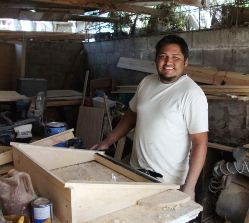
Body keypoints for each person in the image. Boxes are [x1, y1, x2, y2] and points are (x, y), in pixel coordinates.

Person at [91, 34, 208, 200]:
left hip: (168, 182)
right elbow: (131, 115)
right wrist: (107, 141)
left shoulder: (191, 94)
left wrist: (189, 187)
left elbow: (200, 142)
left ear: (185, 62)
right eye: (163, 57)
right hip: (136, 172)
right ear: (156, 60)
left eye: (176, 58)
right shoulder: (146, 82)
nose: (168, 62)